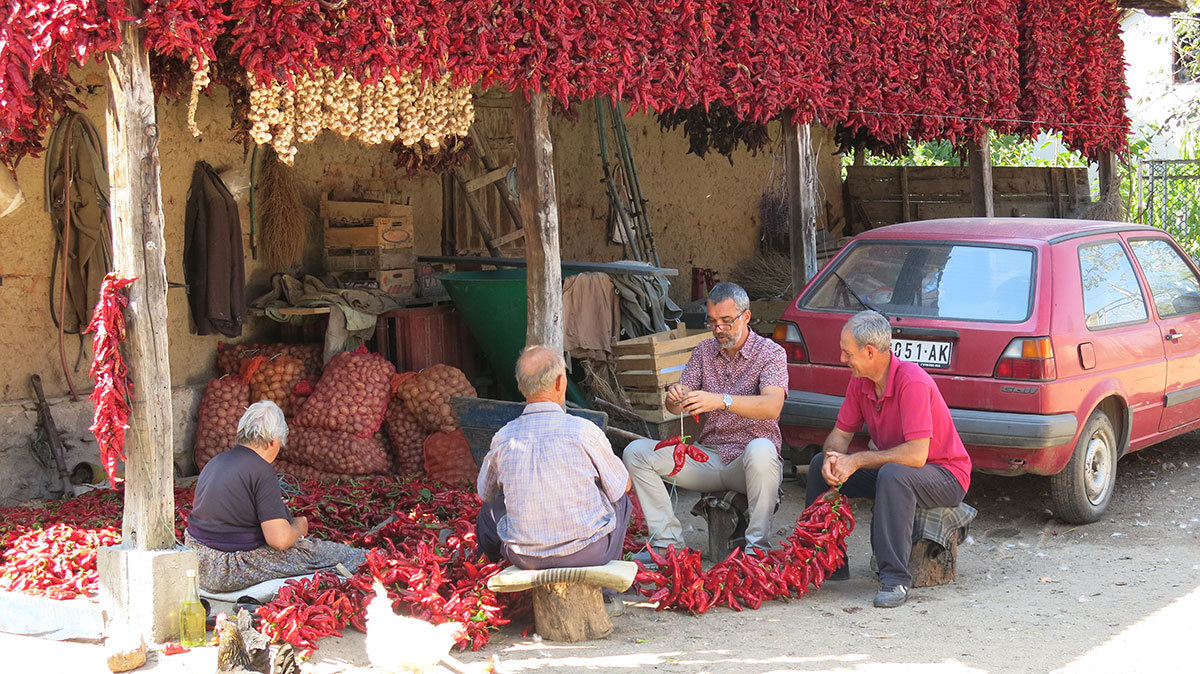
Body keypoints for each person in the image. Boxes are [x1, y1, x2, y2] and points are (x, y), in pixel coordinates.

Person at [806, 310, 972, 609]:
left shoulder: (912, 382)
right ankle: (827, 562)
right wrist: (834, 460)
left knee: (894, 474)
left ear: (870, 352)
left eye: (847, 353)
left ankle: (895, 579)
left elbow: (917, 455)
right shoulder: (860, 381)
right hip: (897, 469)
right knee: (819, 464)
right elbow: (839, 436)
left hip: (946, 475)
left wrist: (855, 462)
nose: (843, 359)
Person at [623, 282, 788, 555]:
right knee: (636, 452)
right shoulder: (703, 351)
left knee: (762, 450)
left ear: (746, 317)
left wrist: (721, 401)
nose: (718, 329)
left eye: (726, 321)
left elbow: (772, 407)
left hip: (748, 465)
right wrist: (676, 396)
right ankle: (667, 543)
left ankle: (757, 548)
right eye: (712, 322)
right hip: (708, 458)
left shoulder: (770, 353)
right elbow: (676, 407)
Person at [475, 345, 632, 576]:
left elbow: (484, 492)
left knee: (493, 502)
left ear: (521, 387)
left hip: (524, 557)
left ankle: (484, 569)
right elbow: (623, 487)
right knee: (620, 497)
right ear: (561, 383)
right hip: (589, 553)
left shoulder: (504, 437)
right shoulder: (583, 431)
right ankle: (606, 589)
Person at [185, 401, 367, 593]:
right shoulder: (261, 470)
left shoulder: (216, 461)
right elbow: (280, 541)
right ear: (273, 441)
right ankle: (378, 558)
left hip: (200, 561)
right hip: (230, 568)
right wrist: (299, 526)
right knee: (340, 557)